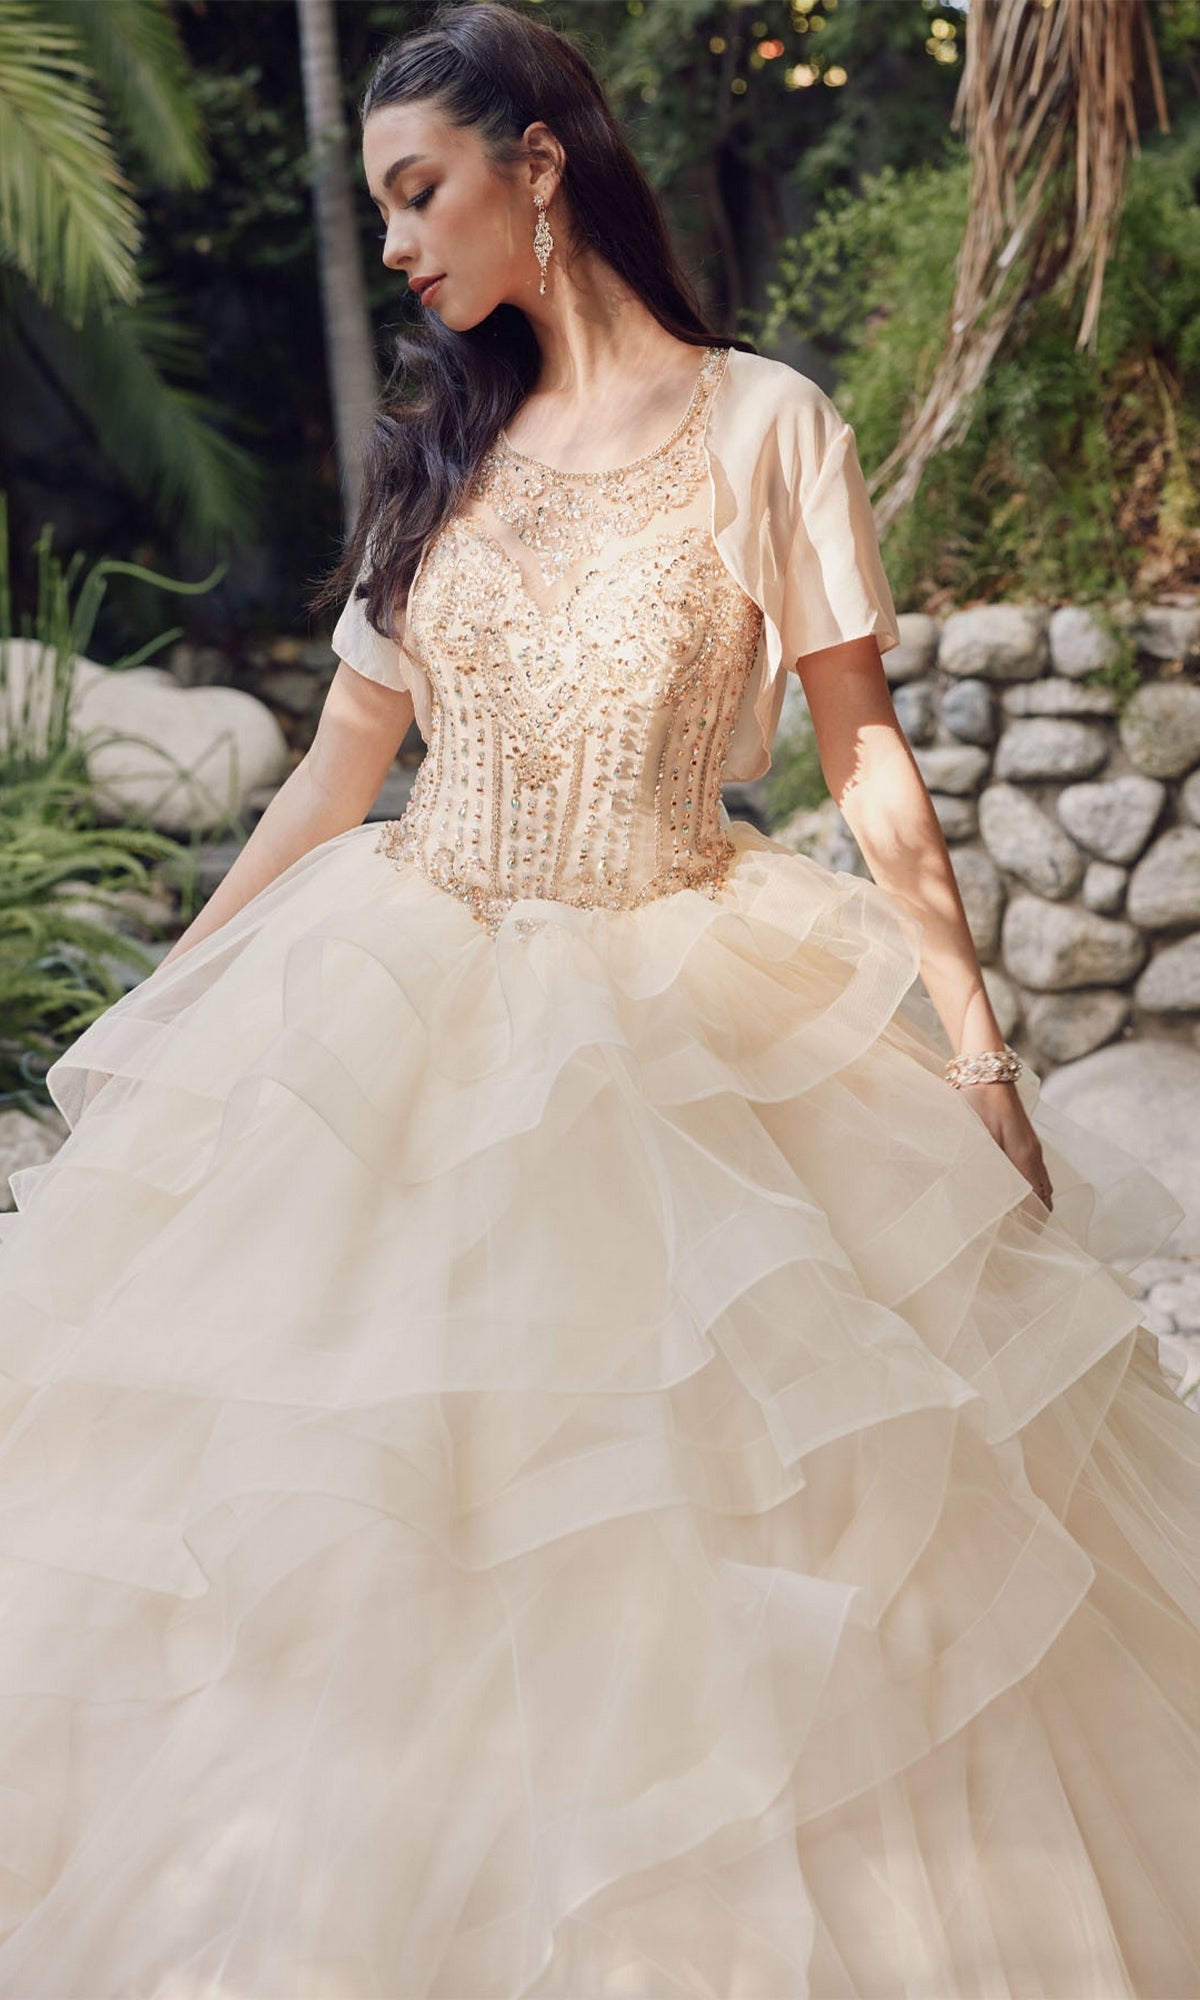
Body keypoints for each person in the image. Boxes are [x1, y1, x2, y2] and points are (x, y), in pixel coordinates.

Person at [0, 3, 1197, 1993]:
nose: (397, 244)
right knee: (364, 1500)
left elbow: (864, 752)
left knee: (721, 1511)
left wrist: (979, 1046)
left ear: (538, 162)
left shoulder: (766, 426)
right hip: (402, 996)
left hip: (684, 1006)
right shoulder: (438, 453)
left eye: (420, 193)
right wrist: (175, 1012)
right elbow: (335, 771)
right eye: (381, 208)